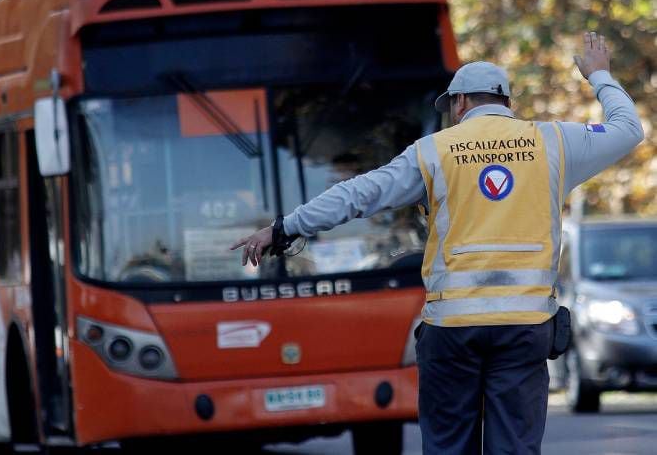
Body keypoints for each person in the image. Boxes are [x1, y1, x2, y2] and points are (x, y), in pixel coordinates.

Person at [230, 32, 643, 454]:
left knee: (448, 446)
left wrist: (284, 228)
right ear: (506, 102)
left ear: (459, 104)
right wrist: (600, 76)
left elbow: (358, 195)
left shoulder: (433, 152)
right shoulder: (554, 142)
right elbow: (629, 130)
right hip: (525, 327)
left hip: (453, 331)